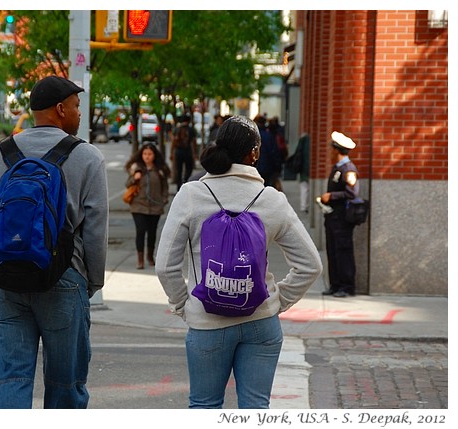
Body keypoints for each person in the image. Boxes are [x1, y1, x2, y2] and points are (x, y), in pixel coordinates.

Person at [155, 116, 322, 409]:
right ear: (254, 153)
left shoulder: (191, 195)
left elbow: (165, 265)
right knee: (255, 408)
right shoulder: (272, 200)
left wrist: (184, 306)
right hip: (261, 322)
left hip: (207, 323)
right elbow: (310, 264)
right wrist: (276, 302)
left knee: (205, 407)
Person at [0, 75, 109, 408]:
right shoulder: (88, 157)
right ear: (60, 110)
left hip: (6, 278)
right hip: (64, 279)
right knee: (66, 385)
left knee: (13, 380)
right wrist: (92, 282)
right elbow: (95, 231)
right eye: (77, 107)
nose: (80, 113)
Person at [320, 131, 360, 298]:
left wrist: (331, 196)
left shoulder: (348, 169)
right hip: (332, 217)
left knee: (343, 251)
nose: (329, 151)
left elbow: (352, 193)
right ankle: (335, 284)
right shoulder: (337, 168)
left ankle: (346, 286)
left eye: (331, 148)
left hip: (342, 218)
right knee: (332, 250)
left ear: (336, 150)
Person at [125, 143, 171, 269]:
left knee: (152, 232)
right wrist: (135, 178)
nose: (147, 156)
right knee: (140, 231)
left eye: (150, 154)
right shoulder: (136, 168)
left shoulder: (160, 170)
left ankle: (150, 256)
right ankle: (140, 259)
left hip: (155, 207)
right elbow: (128, 184)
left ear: (154, 155)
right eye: (145, 154)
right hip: (138, 206)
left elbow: (165, 188)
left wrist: (164, 199)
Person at [253, 115, 282, 189]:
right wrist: (277, 166)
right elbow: (274, 151)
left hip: (256, 165)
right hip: (268, 166)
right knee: (267, 187)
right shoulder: (269, 135)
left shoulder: (252, 135)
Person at [170, 114, 198, 190]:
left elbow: (173, 142)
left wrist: (171, 152)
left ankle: (179, 186)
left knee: (179, 169)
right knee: (189, 168)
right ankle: (186, 182)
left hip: (178, 151)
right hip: (187, 151)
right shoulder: (191, 129)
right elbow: (193, 142)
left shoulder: (176, 129)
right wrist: (195, 153)